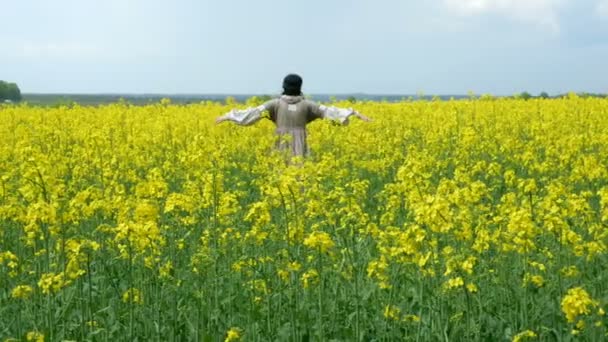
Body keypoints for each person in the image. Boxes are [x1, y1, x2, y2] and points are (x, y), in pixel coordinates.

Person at [215, 74, 371, 157]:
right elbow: (331, 112)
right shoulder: (309, 104)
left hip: (281, 141)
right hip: (300, 142)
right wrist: (354, 113)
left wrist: (228, 116)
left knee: (281, 170)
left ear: (283, 87)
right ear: (300, 88)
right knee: (300, 171)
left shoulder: (273, 104)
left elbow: (251, 114)